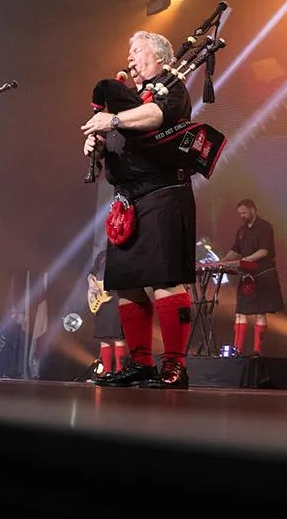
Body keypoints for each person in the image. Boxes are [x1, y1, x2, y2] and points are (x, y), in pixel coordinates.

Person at [81, 31, 196, 389]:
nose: (130, 58)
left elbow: (156, 116)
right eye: (129, 52)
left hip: (164, 191)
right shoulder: (128, 102)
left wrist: (112, 121)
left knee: (165, 279)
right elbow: (121, 137)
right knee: (127, 283)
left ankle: (174, 365)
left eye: (137, 51)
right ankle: (141, 363)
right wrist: (98, 143)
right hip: (127, 199)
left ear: (159, 56)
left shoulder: (171, 86)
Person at [220, 199, 284, 356]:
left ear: (253, 210)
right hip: (247, 276)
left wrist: (245, 260)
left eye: (244, 212)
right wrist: (221, 262)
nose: (241, 216)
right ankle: (237, 351)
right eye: (240, 213)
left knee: (260, 313)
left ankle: (257, 352)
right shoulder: (242, 230)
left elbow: (264, 251)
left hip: (263, 275)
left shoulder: (265, 227)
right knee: (240, 312)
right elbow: (235, 250)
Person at [88, 250, 127, 375]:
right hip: (101, 300)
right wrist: (90, 280)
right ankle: (107, 372)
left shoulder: (125, 253)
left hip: (117, 298)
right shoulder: (103, 254)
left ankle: (120, 372)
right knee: (103, 338)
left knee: (117, 337)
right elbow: (92, 272)